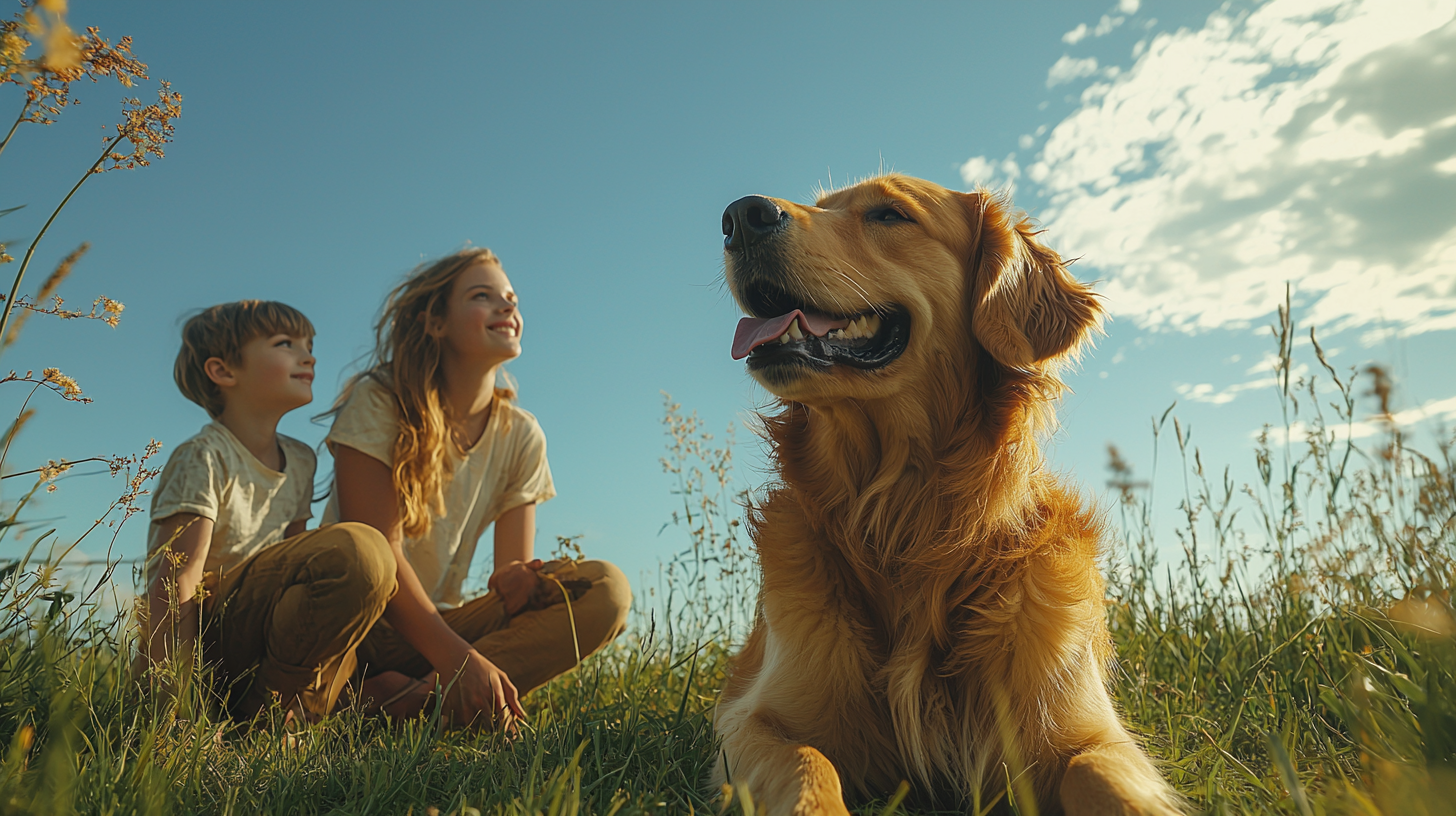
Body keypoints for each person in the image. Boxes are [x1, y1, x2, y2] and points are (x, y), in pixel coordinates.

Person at [324, 247, 631, 729]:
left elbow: (510, 569)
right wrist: (460, 659)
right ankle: (408, 699)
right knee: (370, 559)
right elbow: (378, 550)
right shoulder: (379, 400)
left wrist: (519, 578)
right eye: (482, 296)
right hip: (352, 627)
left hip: (440, 628)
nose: (507, 307)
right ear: (435, 322)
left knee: (604, 589)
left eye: (511, 298)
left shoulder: (521, 434)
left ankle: (411, 703)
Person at [140, 301, 397, 721]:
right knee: (358, 547)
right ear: (223, 372)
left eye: (309, 344)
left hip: (267, 635)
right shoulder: (203, 457)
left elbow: (301, 564)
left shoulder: (300, 459)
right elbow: (176, 583)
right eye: (286, 344)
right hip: (211, 639)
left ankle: (280, 717)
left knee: (353, 572)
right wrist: (175, 708)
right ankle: (273, 717)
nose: (308, 355)